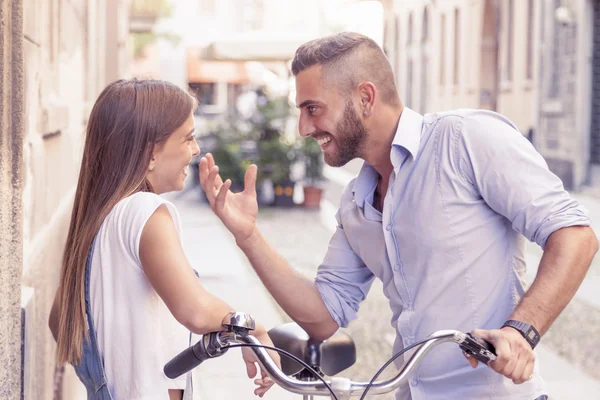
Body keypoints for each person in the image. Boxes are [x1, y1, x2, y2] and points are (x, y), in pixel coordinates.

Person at [198, 32, 598, 400]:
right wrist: (248, 235)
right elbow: (322, 317)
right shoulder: (356, 201)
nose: (303, 127)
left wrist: (521, 332)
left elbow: (576, 235)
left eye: (313, 109)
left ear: (365, 98)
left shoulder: (465, 140)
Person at [48, 79, 278, 400]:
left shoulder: (101, 217)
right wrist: (254, 330)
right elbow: (195, 310)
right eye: (188, 138)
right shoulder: (146, 210)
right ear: (151, 151)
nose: (196, 150)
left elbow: (58, 320)